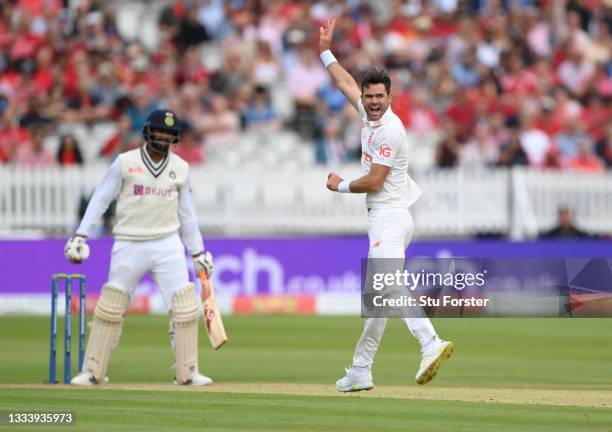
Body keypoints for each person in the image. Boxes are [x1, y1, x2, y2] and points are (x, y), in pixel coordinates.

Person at [319, 19, 454, 392]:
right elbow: (345, 82)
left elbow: (375, 181)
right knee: (377, 301)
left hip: (389, 217)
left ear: (390, 97)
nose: (374, 102)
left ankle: (430, 342)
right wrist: (325, 50)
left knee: (388, 286)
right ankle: (361, 369)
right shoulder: (367, 113)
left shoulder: (389, 131)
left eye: (380, 97)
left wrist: (340, 185)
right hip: (391, 217)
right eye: (369, 96)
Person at [64, 109, 214, 386]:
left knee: (184, 307)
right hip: (129, 242)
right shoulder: (125, 162)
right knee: (110, 307)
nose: (163, 137)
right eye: (159, 131)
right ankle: (93, 371)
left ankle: (188, 372)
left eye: (169, 134)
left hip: (167, 243)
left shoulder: (180, 167)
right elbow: (100, 199)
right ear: (147, 132)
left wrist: (198, 251)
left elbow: (187, 214)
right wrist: (81, 235)